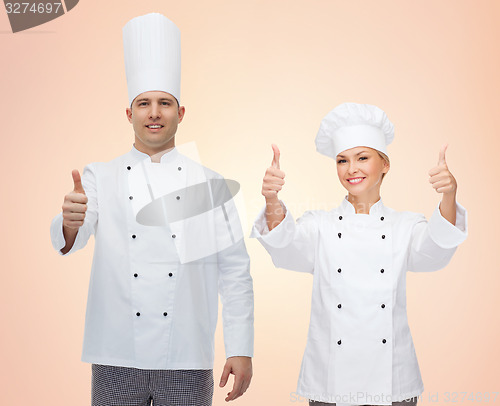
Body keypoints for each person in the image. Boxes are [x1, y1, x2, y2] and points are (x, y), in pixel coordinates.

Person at [50, 13, 253, 406]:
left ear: (181, 112)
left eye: (165, 103)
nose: (154, 112)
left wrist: (240, 347)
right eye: (144, 103)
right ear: (130, 113)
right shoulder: (100, 176)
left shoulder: (209, 184)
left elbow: (235, 270)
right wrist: (70, 223)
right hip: (115, 354)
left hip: (186, 356)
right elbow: (73, 236)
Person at [251, 103, 467, 406]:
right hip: (330, 384)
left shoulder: (405, 225)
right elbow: (285, 247)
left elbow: (437, 250)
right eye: (342, 160)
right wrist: (271, 198)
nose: (351, 169)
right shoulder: (320, 225)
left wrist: (449, 195)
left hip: (393, 384)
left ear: (385, 164)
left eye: (362, 158)